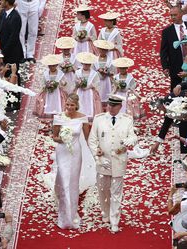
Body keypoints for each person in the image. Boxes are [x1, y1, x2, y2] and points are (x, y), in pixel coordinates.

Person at [88, 94, 137, 233]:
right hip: (103, 161)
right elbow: (92, 140)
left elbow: (132, 136)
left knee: (116, 192)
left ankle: (115, 220)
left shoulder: (127, 120)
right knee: (103, 190)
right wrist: (96, 152)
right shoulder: (99, 119)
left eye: (114, 106)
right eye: (109, 105)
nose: (110, 108)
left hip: (119, 161)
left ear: (120, 107)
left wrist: (131, 141)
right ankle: (106, 212)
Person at [52, 94, 90, 229]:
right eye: (67, 105)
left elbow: (88, 138)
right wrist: (62, 139)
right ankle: (63, 215)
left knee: (72, 182)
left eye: (72, 105)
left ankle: (72, 213)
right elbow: (54, 137)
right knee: (64, 180)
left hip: (75, 152)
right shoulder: (59, 117)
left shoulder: (83, 118)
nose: (69, 107)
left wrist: (96, 151)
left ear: (76, 106)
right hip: (62, 152)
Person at [160, 6, 187, 90]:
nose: (173, 17)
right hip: (176, 67)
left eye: (175, 15)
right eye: (171, 15)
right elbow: (163, 51)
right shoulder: (167, 32)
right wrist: (165, 67)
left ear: (181, 14)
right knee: (176, 91)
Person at [33, 54, 67, 118]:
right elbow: (43, 82)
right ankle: (47, 113)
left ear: (56, 65)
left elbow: (64, 82)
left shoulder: (60, 73)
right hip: (48, 90)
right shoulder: (46, 73)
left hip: (57, 90)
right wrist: (46, 85)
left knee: (58, 101)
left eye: (53, 66)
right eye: (50, 66)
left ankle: (57, 112)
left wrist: (63, 83)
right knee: (46, 100)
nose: (52, 67)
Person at [74, 52, 102, 120]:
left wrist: (90, 86)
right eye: (85, 64)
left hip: (90, 92)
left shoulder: (94, 73)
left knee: (89, 104)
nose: (86, 65)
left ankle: (89, 117)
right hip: (80, 91)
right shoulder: (78, 72)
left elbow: (97, 82)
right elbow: (75, 81)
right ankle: (79, 116)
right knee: (79, 102)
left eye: (88, 64)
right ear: (82, 63)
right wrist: (79, 83)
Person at [0, 0, 24, 65]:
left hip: (12, 53)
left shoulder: (15, 17)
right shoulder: (3, 13)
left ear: (7, 2)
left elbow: (13, 37)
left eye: (3, 1)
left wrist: (3, 51)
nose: (1, 2)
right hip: (3, 50)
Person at [92, 40, 115, 108]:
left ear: (107, 50)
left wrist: (107, 73)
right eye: (101, 49)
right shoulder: (95, 60)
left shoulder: (110, 60)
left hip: (107, 81)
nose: (102, 51)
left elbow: (113, 72)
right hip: (98, 80)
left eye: (104, 50)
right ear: (98, 49)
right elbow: (92, 71)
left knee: (107, 94)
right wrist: (98, 72)